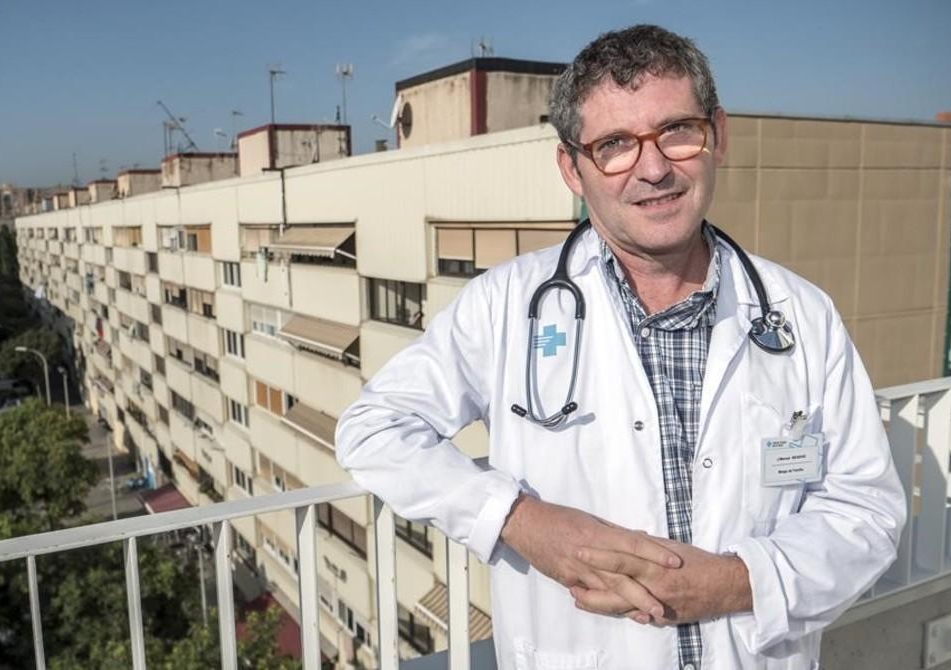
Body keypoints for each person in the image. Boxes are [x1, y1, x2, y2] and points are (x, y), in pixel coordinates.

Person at [336, 24, 905, 670]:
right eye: (614, 145)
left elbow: (867, 508)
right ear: (571, 169)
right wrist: (518, 520)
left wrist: (735, 581)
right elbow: (373, 429)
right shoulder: (506, 306)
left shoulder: (801, 316)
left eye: (677, 131)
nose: (655, 167)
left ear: (718, 134)